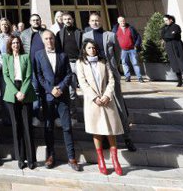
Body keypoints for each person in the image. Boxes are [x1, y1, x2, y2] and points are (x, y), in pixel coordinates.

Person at [82, 12, 136, 151]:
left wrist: (113, 66)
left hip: (110, 74)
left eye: (97, 20)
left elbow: (118, 52)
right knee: (100, 109)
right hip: (95, 77)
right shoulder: (86, 36)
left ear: (101, 21)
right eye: (92, 20)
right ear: (89, 22)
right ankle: (105, 137)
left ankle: (127, 137)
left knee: (119, 106)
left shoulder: (110, 35)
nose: (95, 22)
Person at [33, 30, 81, 171]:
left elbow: (68, 74)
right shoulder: (38, 55)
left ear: (54, 39)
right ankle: (50, 156)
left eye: (51, 38)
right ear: (43, 40)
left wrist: (60, 88)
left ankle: (72, 158)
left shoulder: (63, 55)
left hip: (62, 96)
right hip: (48, 96)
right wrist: (50, 89)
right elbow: (39, 75)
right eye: (46, 39)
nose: (49, 41)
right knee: (48, 127)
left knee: (66, 127)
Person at [77, 39, 124, 176]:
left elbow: (111, 79)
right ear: (85, 50)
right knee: (96, 129)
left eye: (94, 47)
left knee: (111, 129)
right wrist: (94, 97)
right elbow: (82, 82)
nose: (92, 50)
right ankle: (101, 159)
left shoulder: (103, 62)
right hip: (93, 101)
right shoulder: (81, 63)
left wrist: (107, 95)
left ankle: (115, 160)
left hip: (106, 100)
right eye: (89, 48)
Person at [2, 35, 36, 170]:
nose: (15, 45)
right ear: (10, 45)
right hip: (12, 92)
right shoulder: (6, 57)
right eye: (13, 43)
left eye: (17, 43)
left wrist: (22, 91)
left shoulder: (25, 57)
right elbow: (6, 75)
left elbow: (29, 75)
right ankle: (20, 159)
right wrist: (16, 92)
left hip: (25, 91)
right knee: (16, 126)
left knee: (27, 126)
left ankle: (31, 159)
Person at [56, 12, 83, 122]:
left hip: (79, 62)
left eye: (69, 19)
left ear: (73, 20)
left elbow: (83, 47)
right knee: (71, 91)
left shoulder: (79, 32)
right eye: (65, 19)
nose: (67, 21)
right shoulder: (59, 33)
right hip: (68, 64)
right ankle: (73, 116)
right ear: (62, 20)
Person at [20, 14, 46, 125]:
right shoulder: (24, 34)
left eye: (37, 20)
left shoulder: (46, 32)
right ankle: (35, 116)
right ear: (30, 22)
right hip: (31, 66)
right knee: (35, 91)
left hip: (45, 66)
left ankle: (49, 115)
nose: (36, 22)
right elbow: (21, 50)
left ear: (40, 21)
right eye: (33, 20)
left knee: (46, 91)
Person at [161, 14, 183, 87]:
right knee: (174, 63)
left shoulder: (176, 26)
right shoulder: (164, 28)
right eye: (164, 21)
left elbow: (173, 35)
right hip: (169, 47)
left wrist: (169, 35)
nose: (165, 22)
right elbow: (163, 36)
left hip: (177, 45)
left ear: (171, 20)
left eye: (166, 20)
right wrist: (169, 35)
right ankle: (180, 81)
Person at [112, 16, 143, 83]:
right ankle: (127, 77)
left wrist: (136, 45)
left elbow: (138, 36)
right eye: (121, 21)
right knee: (124, 63)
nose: (122, 22)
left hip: (132, 49)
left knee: (135, 63)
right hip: (122, 50)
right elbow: (113, 39)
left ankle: (139, 77)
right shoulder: (115, 30)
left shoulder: (131, 28)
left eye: (123, 21)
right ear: (118, 22)